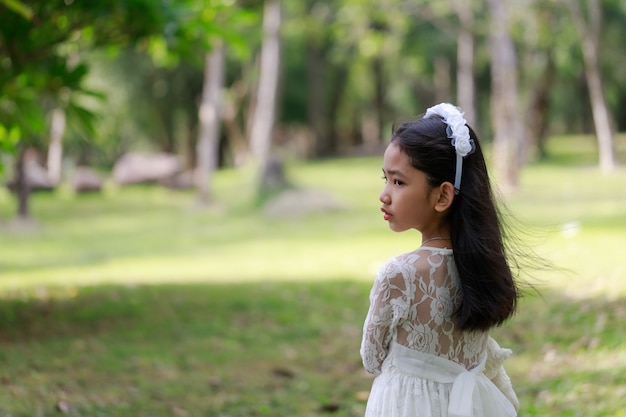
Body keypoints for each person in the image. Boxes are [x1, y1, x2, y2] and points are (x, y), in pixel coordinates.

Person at [360, 103, 520, 417]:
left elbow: (371, 358)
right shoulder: (481, 267)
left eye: (399, 182)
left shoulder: (400, 274)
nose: (384, 194)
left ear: (443, 196)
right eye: (386, 179)